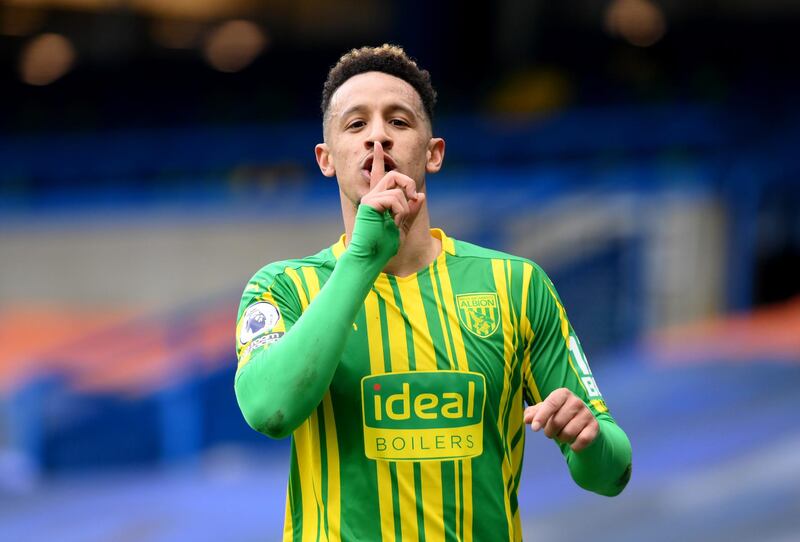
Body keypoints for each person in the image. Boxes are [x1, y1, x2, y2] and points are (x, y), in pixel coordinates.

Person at [234, 44, 632, 542]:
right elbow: (269, 410)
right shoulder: (284, 288)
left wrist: (588, 442)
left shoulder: (517, 286)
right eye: (355, 125)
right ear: (326, 159)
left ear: (433, 153)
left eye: (398, 122)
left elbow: (611, 472)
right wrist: (362, 258)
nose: (377, 136)